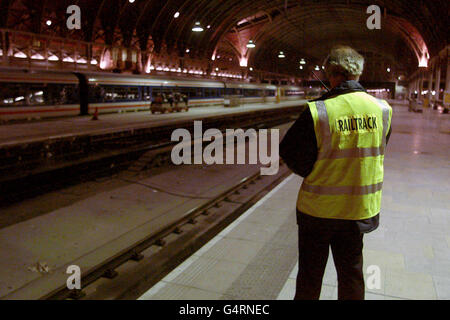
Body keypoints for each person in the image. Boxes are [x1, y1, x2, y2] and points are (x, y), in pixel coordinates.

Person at [280, 46, 392, 300]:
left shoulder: (319, 111)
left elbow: (288, 151)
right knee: (351, 275)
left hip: (317, 212)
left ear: (331, 74)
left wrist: (314, 169)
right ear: (358, 74)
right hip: (357, 211)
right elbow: (377, 148)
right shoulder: (382, 110)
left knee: (310, 277)